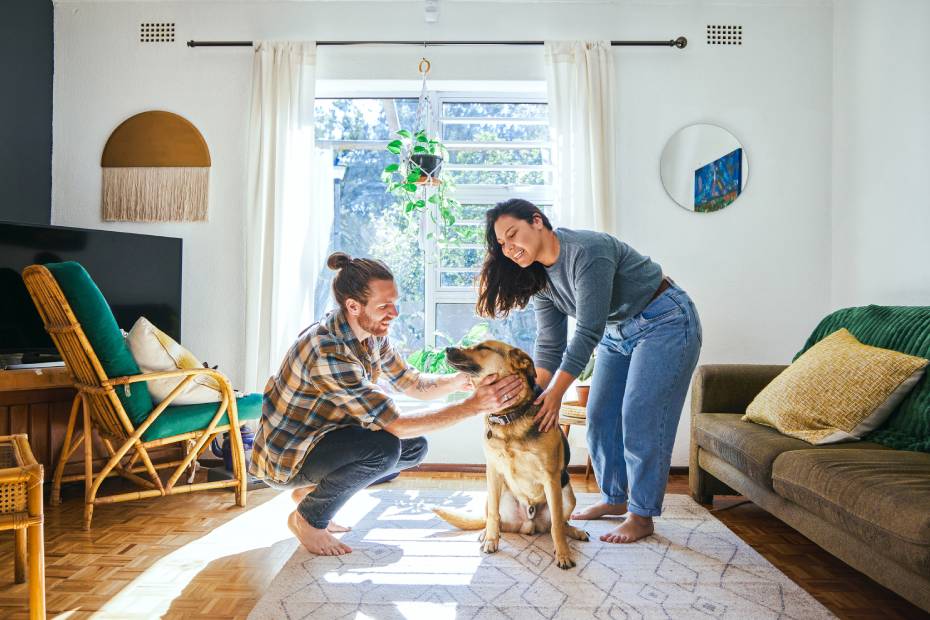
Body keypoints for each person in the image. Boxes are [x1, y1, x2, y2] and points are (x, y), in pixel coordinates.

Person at [251, 252, 522, 556]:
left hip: (324, 437)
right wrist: (473, 406)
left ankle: (313, 494)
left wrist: (460, 382)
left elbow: (411, 382)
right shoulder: (329, 351)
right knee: (384, 450)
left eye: (395, 302)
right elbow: (396, 424)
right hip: (290, 458)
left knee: (414, 448)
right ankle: (308, 520)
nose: (393, 312)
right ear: (353, 306)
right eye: (383, 306)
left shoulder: (372, 333)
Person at [476, 199, 702, 544]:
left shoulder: (586, 251)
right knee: (599, 416)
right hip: (618, 331)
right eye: (503, 245)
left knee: (640, 415)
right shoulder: (539, 280)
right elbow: (550, 344)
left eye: (513, 236)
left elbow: (587, 330)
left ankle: (641, 515)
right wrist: (532, 396)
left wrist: (556, 394)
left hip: (665, 321)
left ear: (537, 221)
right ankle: (614, 498)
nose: (509, 249)